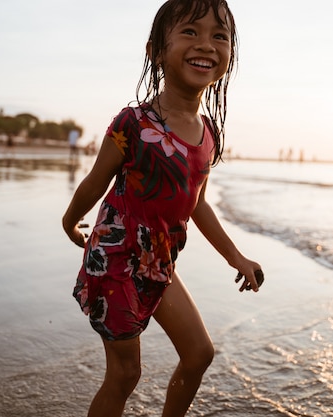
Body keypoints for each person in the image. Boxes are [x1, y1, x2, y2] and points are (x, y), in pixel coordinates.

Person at [61, 1, 263, 416]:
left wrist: (236, 257)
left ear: (230, 54)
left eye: (219, 35)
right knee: (125, 374)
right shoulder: (132, 124)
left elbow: (197, 204)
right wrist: (69, 220)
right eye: (190, 31)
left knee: (199, 353)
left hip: (159, 264)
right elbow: (95, 183)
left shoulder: (209, 133)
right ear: (156, 49)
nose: (205, 43)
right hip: (115, 260)